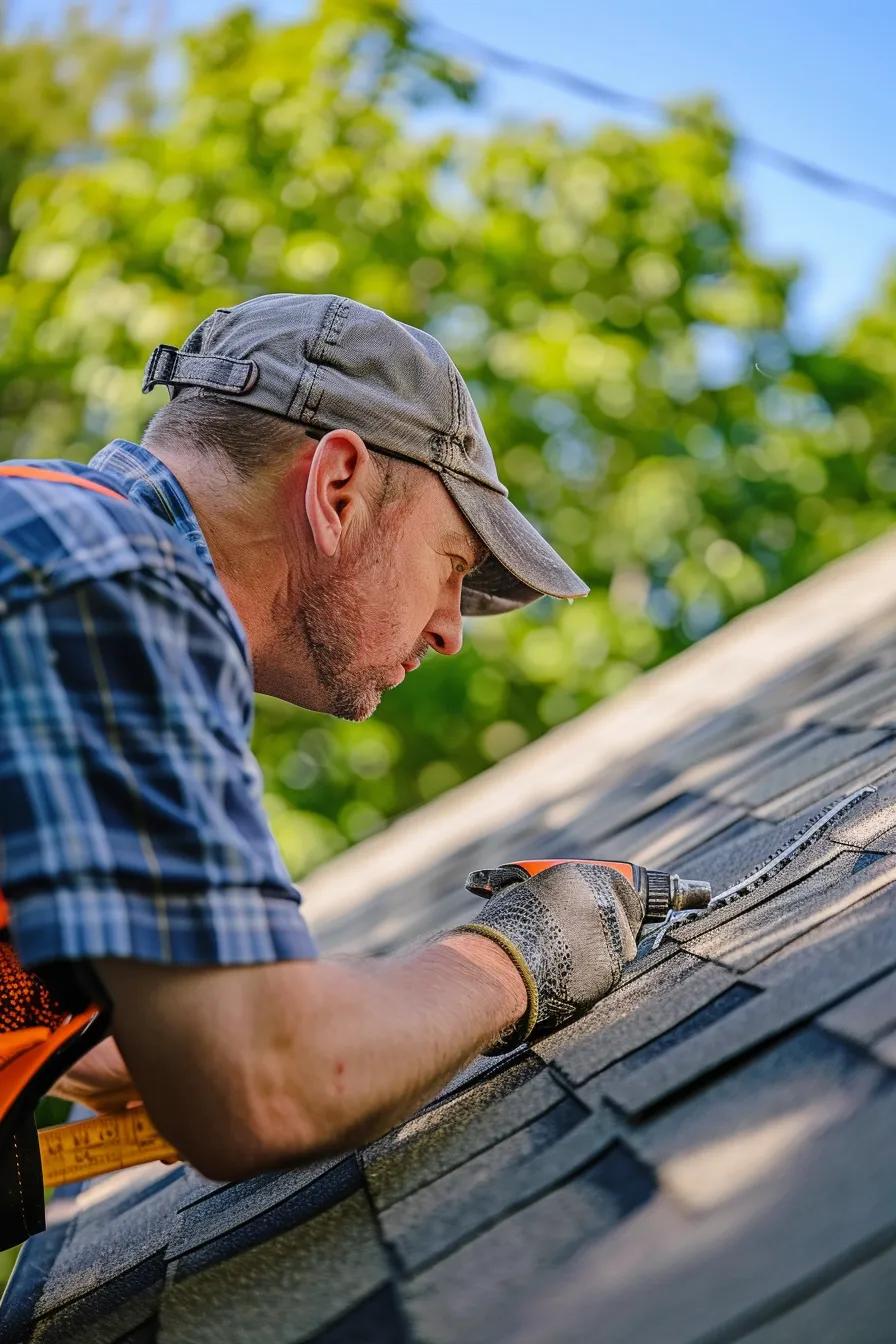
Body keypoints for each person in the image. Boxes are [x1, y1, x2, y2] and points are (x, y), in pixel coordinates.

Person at [0, 293, 646, 1181]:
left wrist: (76, 1035)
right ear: (337, 488)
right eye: (453, 566)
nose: (453, 631)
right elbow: (273, 1086)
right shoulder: (112, 582)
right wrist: (520, 955)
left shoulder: (44, 540)